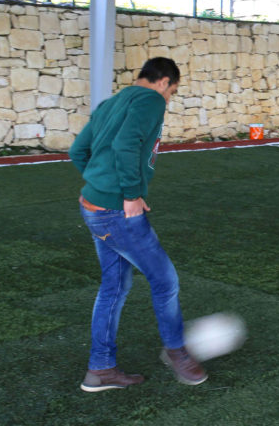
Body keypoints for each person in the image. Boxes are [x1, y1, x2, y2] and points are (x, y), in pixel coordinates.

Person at [69, 57, 207, 391]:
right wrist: (128, 195)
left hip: (92, 205)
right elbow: (126, 144)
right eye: (172, 91)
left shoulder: (111, 102)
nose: (169, 98)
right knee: (165, 281)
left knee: (114, 286)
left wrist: (104, 187)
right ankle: (177, 353)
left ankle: (100, 369)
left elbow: (78, 151)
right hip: (116, 212)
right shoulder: (151, 101)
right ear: (164, 82)